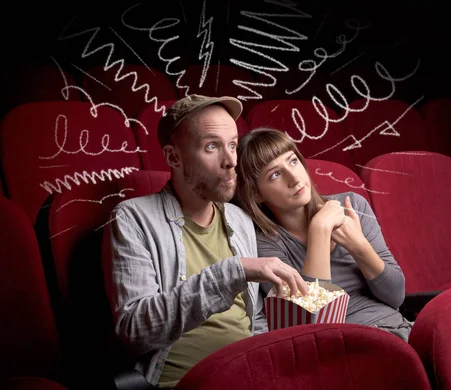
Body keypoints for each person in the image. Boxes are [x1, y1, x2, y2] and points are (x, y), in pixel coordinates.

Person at [103, 96, 308, 389]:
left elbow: (254, 319)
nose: (231, 161)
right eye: (212, 146)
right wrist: (231, 272)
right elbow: (135, 330)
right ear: (174, 157)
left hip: (251, 376)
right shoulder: (132, 218)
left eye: (233, 145)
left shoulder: (240, 220)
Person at [235, 128, 413, 341]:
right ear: (256, 193)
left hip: (395, 329)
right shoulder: (262, 244)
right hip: (339, 346)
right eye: (275, 174)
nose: (294, 178)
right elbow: (310, 327)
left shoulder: (352, 205)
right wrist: (319, 230)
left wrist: (358, 246)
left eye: (293, 161)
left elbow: (395, 296)